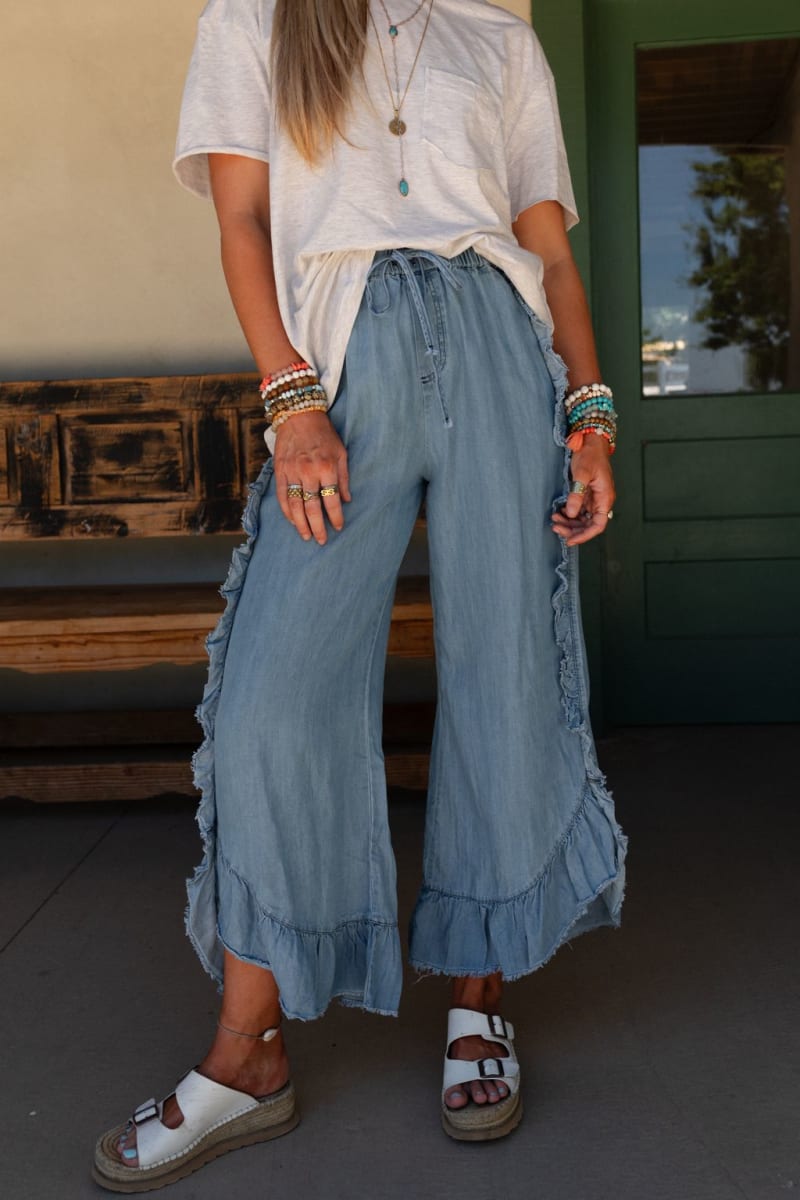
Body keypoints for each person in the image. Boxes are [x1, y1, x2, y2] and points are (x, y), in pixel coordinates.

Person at [92, 0, 627, 1189]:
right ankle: (247, 1053)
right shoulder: (255, 20)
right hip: (340, 365)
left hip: (498, 351)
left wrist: (589, 413)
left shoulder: (495, 37)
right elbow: (241, 218)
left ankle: (476, 1003)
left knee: (502, 676)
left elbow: (543, 242)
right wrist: (290, 398)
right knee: (269, 706)